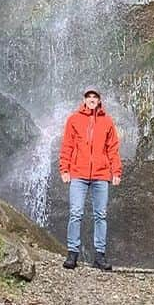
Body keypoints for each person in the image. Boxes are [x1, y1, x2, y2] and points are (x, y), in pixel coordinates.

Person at [59, 88, 122, 271]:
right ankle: (72, 254)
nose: (92, 99)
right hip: (78, 174)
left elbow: (113, 149)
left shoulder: (107, 121)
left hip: (101, 175)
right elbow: (67, 146)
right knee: (76, 212)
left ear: (100, 100)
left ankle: (99, 256)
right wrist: (64, 169)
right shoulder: (74, 119)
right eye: (89, 97)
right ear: (84, 100)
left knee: (101, 215)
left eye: (95, 97)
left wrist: (116, 171)